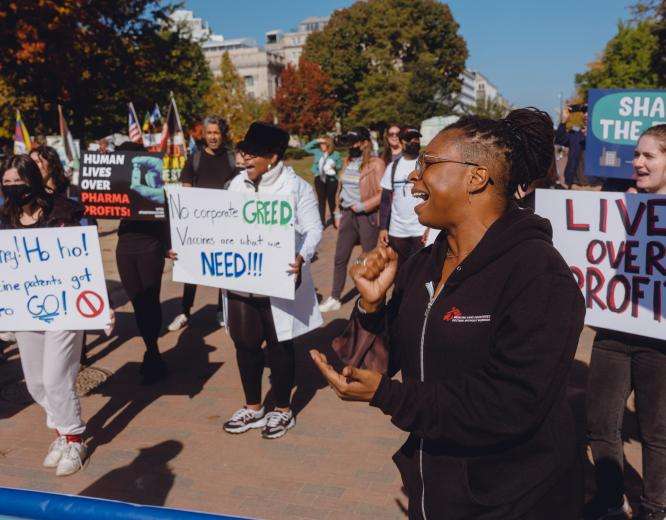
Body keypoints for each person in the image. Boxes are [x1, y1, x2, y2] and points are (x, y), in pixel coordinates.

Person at [312, 108, 586, 519]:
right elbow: (373, 364)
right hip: (434, 489)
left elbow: (510, 402)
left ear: (476, 177)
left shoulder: (538, 274)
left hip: (515, 498)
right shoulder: (423, 263)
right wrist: (370, 308)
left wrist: (391, 397)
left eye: (428, 164)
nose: (411, 176)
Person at [584, 125, 666, 520]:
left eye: (649, 156)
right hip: (612, 333)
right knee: (600, 422)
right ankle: (610, 500)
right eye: (637, 155)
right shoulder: (614, 205)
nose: (637, 162)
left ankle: (655, 508)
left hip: (660, 343)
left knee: (657, 433)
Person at [222, 122, 323, 439]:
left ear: (273, 156)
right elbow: (215, 226)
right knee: (245, 342)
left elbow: (314, 230)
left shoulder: (297, 188)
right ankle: (253, 408)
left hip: (280, 278)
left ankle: (282, 409)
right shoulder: (235, 185)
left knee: (280, 342)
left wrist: (302, 256)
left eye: (252, 153)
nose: (245, 158)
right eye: (244, 152)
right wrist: (190, 253)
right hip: (242, 278)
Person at [0, 155, 93, 476]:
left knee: (56, 379)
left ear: (33, 182)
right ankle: (61, 433)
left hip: (64, 308)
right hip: (27, 309)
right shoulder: (4, 218)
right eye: (7, 184)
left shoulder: (64, 211)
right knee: (37, 383)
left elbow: (86, 253)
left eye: (19, 183)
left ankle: (75, 438)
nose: (13, 189)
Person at [167, 115, 237, 332]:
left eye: (216, 132)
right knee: (191, 269)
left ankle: (222, 310)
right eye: (209, 133)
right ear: (204, 135)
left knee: (223, 267)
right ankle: (185, 312)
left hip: (226, 225)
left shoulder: (233, 159)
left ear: (222, 134)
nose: (213, 137)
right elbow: (185, 191)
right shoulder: (194, 159)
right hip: (199, 227)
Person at [114, 141, 169, 385]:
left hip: (150, 246)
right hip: (125, 247)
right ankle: (151, 347)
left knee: (150, 299)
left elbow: (164, 216)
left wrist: (168, 245)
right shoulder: (116, 187)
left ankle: (153, 350)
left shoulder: (154, 186)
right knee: (137, 301)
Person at [319, 128, 385, 312]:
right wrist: (337, 213)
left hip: (367, 216)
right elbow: (342, 190)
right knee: (340, 257)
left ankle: (371, 295)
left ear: (365, 143)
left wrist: (364, 206)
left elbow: (382, 194)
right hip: (348, 214)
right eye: (349, 141)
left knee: (368, 258)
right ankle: (335, 297)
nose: (351, 145)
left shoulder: (376, 163)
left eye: (354, 141)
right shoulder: (347, 161)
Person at [378, 126, 425, 269]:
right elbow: (386, 200)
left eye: (416, 139)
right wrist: (383, 228)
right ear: (402, 142)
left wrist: (432, 228)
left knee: (420, 271)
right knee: (399, 272)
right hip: (397, 231)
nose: (413, 142)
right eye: (409, 139)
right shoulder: (393, 167)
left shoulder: (426, 165)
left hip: (421, 229)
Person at [303, 136, 343, 227]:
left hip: (332, 179)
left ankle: (334, 221)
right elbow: (306, 148)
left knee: (331, 201)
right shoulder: (317, 152)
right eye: (320, 144)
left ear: (328, 144)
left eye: (323, 143)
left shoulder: (336, 154)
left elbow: (340, 165)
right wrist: (316, 140)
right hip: (319, 178)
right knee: (321, 201)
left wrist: (334, 166)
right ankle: (322, 222)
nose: (321, 145)